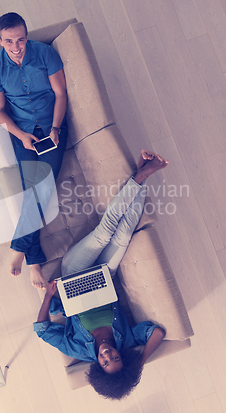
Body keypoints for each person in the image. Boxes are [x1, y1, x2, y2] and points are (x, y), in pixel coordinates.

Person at [34, 151, 168, 400]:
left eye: (105, 362)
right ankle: (141, 177)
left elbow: (42, 330)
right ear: (122, 357)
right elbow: (157, 333)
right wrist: (139, 363)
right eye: (115, 358)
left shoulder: (76, 348)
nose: (107, 354)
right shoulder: (126, 340)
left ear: (98, 367)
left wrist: (49, 296)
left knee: (104, 233)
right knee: (124, 234)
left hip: (74, 274)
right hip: (104, 275)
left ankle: (141, 175)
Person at [0, 12, 68, 289]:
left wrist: (56, 128)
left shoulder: (45, 55)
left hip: (51, 127)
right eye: (9, 41)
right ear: (0, 40)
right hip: (23, 133)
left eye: (20, 39)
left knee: (42, 188)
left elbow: (60, 94)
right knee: (33, 191)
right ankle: (33, 262)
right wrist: (20, 135)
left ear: (27, 35)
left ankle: (22, 252)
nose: (16, 46)